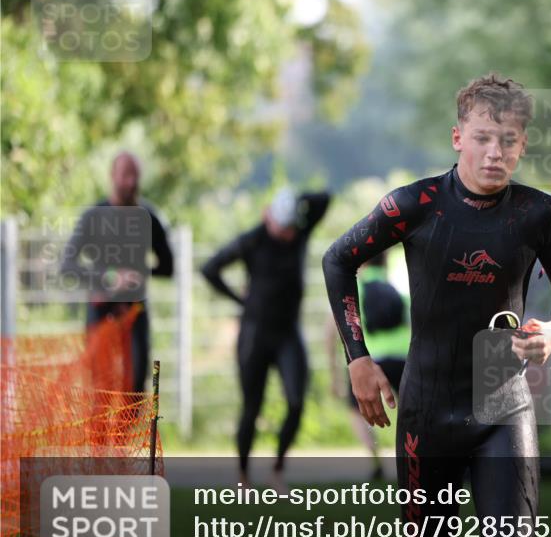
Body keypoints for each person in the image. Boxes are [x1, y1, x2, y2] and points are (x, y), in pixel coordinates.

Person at [323, 73, 551, 537]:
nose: (495, 152)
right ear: (457, 137)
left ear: (522, 144)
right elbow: (338, 259)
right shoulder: (415, 205)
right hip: (428, 407)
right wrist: (359, 358)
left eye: (509, 140)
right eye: (484, 137)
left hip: (502, 401)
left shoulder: (542, 214)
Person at [201, 187, 330, 490]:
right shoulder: (253, 240)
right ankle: (244, 476)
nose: (287, 234)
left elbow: (324, 199)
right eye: (281, 227)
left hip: (288, 334)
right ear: (267, 217)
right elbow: (210, 268)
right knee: (251, 407)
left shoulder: (299, 233)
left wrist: (296, 200)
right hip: (255, 334)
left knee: (296, 402)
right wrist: (239, 299)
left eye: (290, 227)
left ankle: (277, 469)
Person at [62, 151, 174, 393]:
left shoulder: (149, 218)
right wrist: (111, 277)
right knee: (99, 389)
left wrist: (138, 272)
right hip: (100, 308)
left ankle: (130, 428)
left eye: (135, 175)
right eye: (125, 175)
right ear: (112, 176)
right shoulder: (94, 216)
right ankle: (100, 431)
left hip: (135, 310)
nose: (131, 182)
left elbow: (168, 267)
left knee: (135, 389)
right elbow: (67, 265)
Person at [325, 251, 409, 480]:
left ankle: (376, 458)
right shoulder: (399, 286)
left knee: (356, 410)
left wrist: (335, 375)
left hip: (371, 360)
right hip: (403, 357)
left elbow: (332, 333)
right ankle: (413, 457)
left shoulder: (353, 292)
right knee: (412, 412)